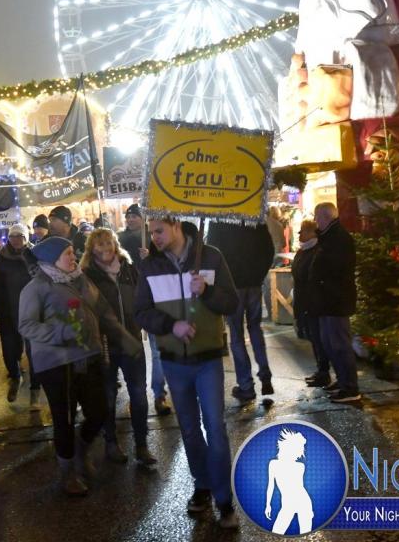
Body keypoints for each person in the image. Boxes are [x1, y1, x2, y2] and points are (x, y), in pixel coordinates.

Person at [135, 217, 240, 529]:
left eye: (159, 230)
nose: (154, 237)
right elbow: (141, 312)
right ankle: (202, 485)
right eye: (151, 231)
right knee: (190, 430)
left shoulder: (211, 256)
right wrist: (172, 325)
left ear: (176, 226)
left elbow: (231, 302)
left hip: (208, 360)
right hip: (173, 362)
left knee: (215, 428)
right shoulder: (150, 266)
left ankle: (224, 499)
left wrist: (206, 290)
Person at [18, 237, 142, 497]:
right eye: (67, 254)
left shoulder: (81, 279)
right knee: (64, 419)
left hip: (88, 357)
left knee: (99, 410)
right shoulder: (36, 287)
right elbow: (27, 326)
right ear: (52, 259)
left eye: (73, 253)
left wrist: (126, 340)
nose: (73, 257)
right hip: (56, 364)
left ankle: (80, 450)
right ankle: (67, 474)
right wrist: (61, 332)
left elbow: (104, 312)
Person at [81, 228, 156, 468]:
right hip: (105, 345)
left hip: (131, 341)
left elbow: (144, 297)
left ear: (116, 245)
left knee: (139, 395)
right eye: (100, 244)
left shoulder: (128, 269)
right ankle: (111, 442)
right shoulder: (87, 276)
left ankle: (142, 444)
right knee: (109, 397)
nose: (105, 248)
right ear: (91, 249)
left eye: (109, 243)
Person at [207, 220, 275, 402]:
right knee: (255, 328)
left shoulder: (219, 219)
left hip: (232, 284)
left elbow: (213, 252)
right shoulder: (255, 218)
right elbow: (269, 249)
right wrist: (259, 274)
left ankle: (246, 385)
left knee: (236, 335)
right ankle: (265, 373)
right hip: (254, 283)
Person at [117, 204, 171, 416]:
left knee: (158, 351)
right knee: (133, 350)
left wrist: (150, 258)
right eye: (128, 216)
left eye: (134, 216)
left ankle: (159, 394)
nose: (130, 219)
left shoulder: (155, 239)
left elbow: (167, 266)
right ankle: (137, 396)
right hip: (129, 301)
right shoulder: (119, 239)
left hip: (153, 299)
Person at [310, 202, 360, 402]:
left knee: (339, 344)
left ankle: (350, 387)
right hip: (328, 300)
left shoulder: (338, 238)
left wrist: (322, 284)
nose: (315, 221)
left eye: (316, 217)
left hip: (335, 301)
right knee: (330, 343)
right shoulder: (330, 237)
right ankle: (343, 380)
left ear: (325, 217)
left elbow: (335, 269)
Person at [0, 223, 41, 410]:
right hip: (8, 311)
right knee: (10, 351)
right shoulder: (0, 258)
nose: (16, 240)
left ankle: (35, 389)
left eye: (20, 236)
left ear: (26, 238)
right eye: (13, 236)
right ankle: (15, 376)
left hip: (31, 311)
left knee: (34, 353)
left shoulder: (34, 255)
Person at [291, 219, 330, 387]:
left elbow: (308, 275)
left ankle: (324, 372)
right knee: (313, 337)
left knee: (318, 338)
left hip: (312, 301)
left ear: (312, 233)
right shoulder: (303, 251)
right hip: (304, 299)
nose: (300, 234)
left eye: (303, 231)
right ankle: (321, 370)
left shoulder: (316, 251)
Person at [264, 429, 313, 534]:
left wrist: (309, 510)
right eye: (299, 449)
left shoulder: (300, 466)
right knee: (277, 532)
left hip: (302, 502)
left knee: (305, 533)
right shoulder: (273, 464)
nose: (299, 454)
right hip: (288, 504)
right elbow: (270, 486)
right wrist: (268, 505)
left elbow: (300, 487)